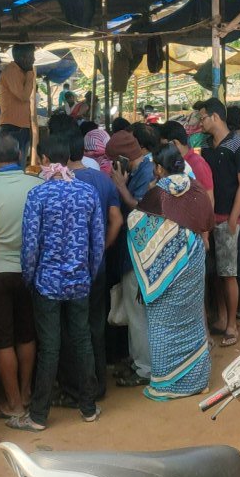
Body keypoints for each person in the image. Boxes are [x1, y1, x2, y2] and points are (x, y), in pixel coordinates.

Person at [9, 134, 104, 431]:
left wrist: (30, 277)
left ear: (46, 160)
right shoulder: (87, 193)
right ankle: (88, 407)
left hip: (47, 282)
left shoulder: (38, 195)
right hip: (79, 281)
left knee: (49, 347)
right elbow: (97, 241)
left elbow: (30, 245)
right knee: (82, 340)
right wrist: (88, 272)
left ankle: (38, 415)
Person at [125, 145, 214, 399]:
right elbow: (206, 217)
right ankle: (198, 380)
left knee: (163, 321)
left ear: (159, 168)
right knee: (193, 317)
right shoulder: (194, 186)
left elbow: (136, 220)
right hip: (193, 255)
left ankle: (167, 384)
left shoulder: (156, 194)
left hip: (165, 263)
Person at [0, 133, 42, 420]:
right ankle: (26, 393)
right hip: (30, 272)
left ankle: (12, 401)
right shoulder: (38, 186)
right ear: (20, 155)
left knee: (2, 339)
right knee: (27, 334)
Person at [65, 128, 123, 402]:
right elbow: (117, 220)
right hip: (97, 265)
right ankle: (100, 381)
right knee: (96, 324)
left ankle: (80, 386)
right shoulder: (103, 180)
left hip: (71, 268)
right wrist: (102, 247)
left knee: (75, 328)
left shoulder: (60, 183)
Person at [200, 98, 240, 336]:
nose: (200, 121)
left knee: (229, 272)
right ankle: (223, 317)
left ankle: (232, 326)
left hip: (228, 217)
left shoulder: (239, 145)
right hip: (211, 216)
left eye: (203, 116)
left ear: (215, 117)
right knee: (217, 272)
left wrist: (233, 218)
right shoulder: (206, 145)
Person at [105, 129, 155, 387]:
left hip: (140, 254)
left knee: (137, 315)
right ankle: (138, 361)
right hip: (134, 253)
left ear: (121, 158)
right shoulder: (140, 170)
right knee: (134, 313)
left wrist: (120, 187)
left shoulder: (147, 173)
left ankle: (145, 368)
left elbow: (142, 208)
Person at [160, 120, 214, 204]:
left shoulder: (197, 164)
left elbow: (209, 199)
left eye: (164, 147)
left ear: (174, 143)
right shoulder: (176, 162)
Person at [0, 44, 36, 164]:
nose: (33, 60)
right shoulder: (12, 71)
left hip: (20, 126)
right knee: (14, 165)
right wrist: (31, 74)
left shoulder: (21, 72)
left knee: (20, 164)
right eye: (31, 56)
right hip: (13, 126)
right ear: (22, 57)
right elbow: (24, 96)